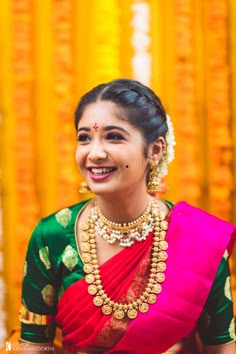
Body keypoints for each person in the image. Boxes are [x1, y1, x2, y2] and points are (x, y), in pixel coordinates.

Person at [19, 78, 236, 354]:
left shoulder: (200, 240)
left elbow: (221, 349)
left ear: (155, 150)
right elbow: (34, 346)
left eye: (114, 136)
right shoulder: (51, 236)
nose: (94, 153)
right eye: (84, 138)